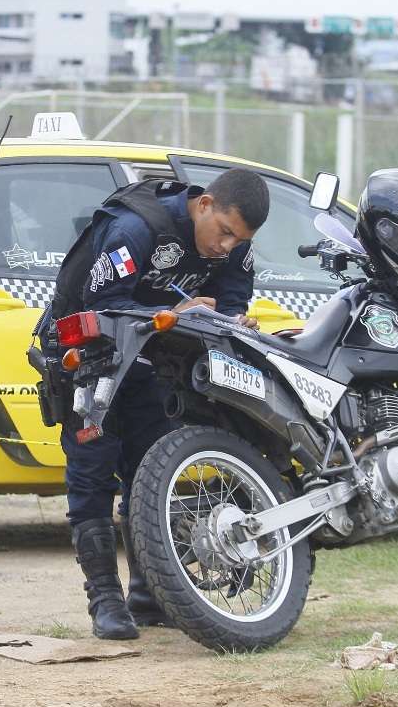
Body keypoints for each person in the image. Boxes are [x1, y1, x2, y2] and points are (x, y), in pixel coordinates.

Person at [42, 170, 270, 639]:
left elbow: (232, 296)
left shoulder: (235, 244)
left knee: (151, 472)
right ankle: (104, 600)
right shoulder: (137, 227)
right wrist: (169, 316)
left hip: (153, 364)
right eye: (224, 232)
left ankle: (149, 594)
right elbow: (101, 304)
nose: (226, 246)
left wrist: (230, 321)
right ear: (204, 205)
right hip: (91, 357)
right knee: (92, 472)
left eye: (238, 239)